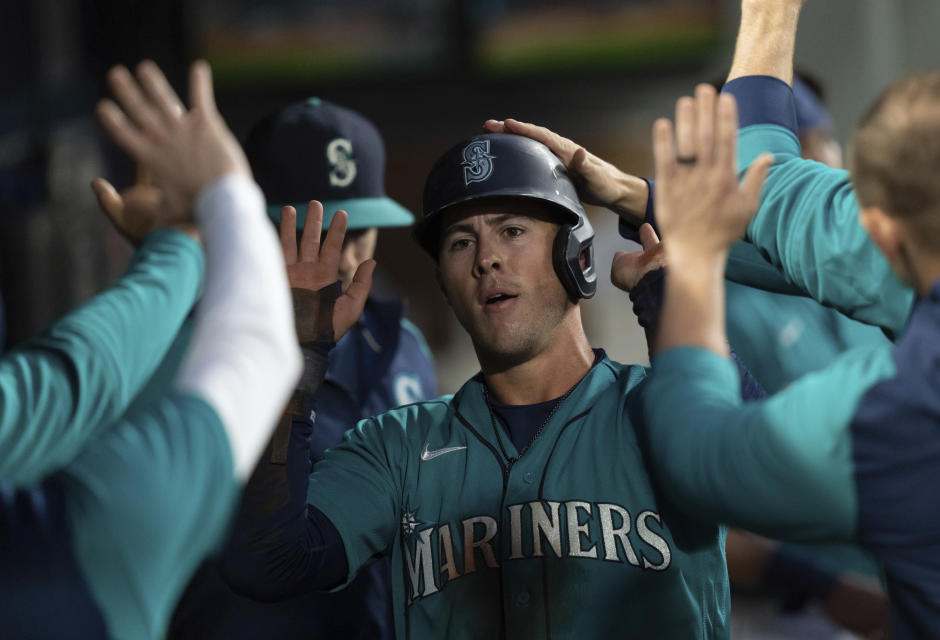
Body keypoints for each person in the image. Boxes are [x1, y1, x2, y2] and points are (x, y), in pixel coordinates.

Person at [220, 130, 772, 638]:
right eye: (462, 242)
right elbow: (266, 564)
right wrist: (290, 365)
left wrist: (672, 308)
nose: (487, 258)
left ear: (575, 255)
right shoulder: (397, 447)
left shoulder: (659, 411)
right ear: (446, 285)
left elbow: (766, 471)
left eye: (512, 231)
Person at [637, 1, 940, 637]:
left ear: (884, 236)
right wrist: (641, 199)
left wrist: (691, 263)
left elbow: (699, 455)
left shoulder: (899, 410)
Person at [0, 59, 327, 639]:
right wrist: (220, 193)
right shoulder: (84, 539)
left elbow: (61, 385)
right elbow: (255, 353)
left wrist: (184, 242)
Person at [170, 98, 435, 640]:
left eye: (357, 231)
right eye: (313, 234)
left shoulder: (401, 344)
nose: (339, 256)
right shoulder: (199, 352)